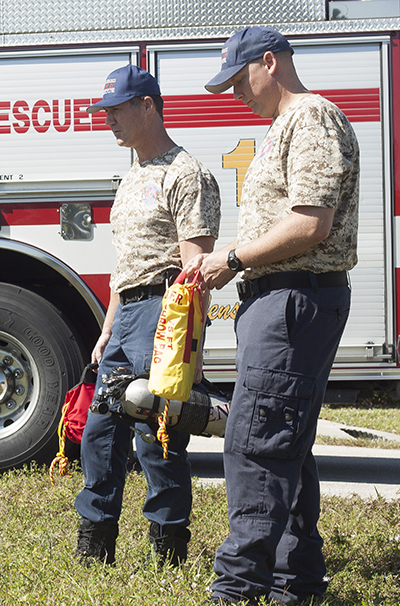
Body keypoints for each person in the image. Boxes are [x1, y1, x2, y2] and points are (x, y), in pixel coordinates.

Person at [186, 26, 359, 605]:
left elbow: (313, 223)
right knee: (286, 442)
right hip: (281, 299)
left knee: (255, 441)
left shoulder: (311, 117)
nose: (236, 94)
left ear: (269, 62)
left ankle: (237, 589)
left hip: (293, 298)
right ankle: (297, 580)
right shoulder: (286, 126)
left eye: (239, 81)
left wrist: (230, 259)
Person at [74, 64, 220, 567]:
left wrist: (186, 348)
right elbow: (124, 264)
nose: (107, 119)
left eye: (117, 109)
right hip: (127, 313)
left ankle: (167, 552)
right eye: (104, 112)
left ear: (148, 106)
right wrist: (107, 330)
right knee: (99, 435)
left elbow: (194, 270)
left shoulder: (187, 174)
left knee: (156, 435)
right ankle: (95, 546)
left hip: (164, 311)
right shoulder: (133, 175)